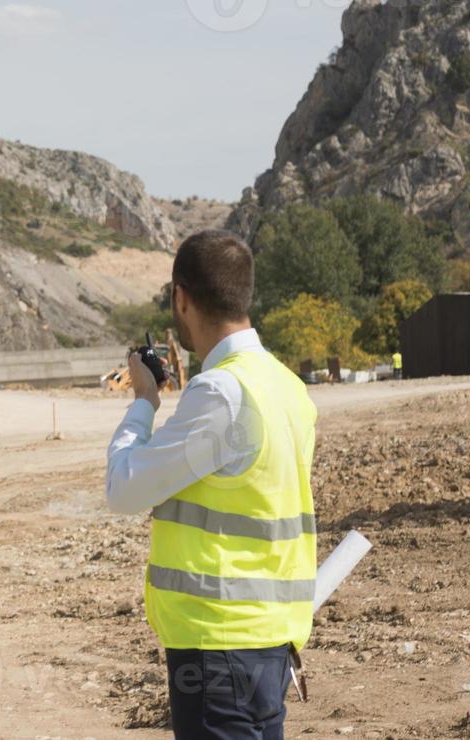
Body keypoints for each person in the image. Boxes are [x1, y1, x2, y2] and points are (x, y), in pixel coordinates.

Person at [105, 231, 317, 740]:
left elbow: (124, 487)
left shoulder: (223, 392)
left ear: (181, 298)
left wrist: (143, 403)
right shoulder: (287, 386)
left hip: (218, 646)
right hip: (271, 643)